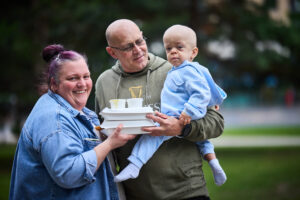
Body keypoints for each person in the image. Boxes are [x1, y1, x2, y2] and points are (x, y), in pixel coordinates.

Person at [95, 19, 225, 200]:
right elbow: (101, 131)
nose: (138, 50)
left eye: (139, 41)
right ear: (112, 52)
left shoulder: (176, 69)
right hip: (136, 194)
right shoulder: (104, 83)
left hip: (187, 192)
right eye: (127, 47)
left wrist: (182, 128)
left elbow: (216, 123)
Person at [9, 44, 135, 200]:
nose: (82, 84)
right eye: (72, 78)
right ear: (54, 84)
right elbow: (69, 173)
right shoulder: (55, 120)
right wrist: (110, 143)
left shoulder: (79, 111)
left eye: (86, 76)